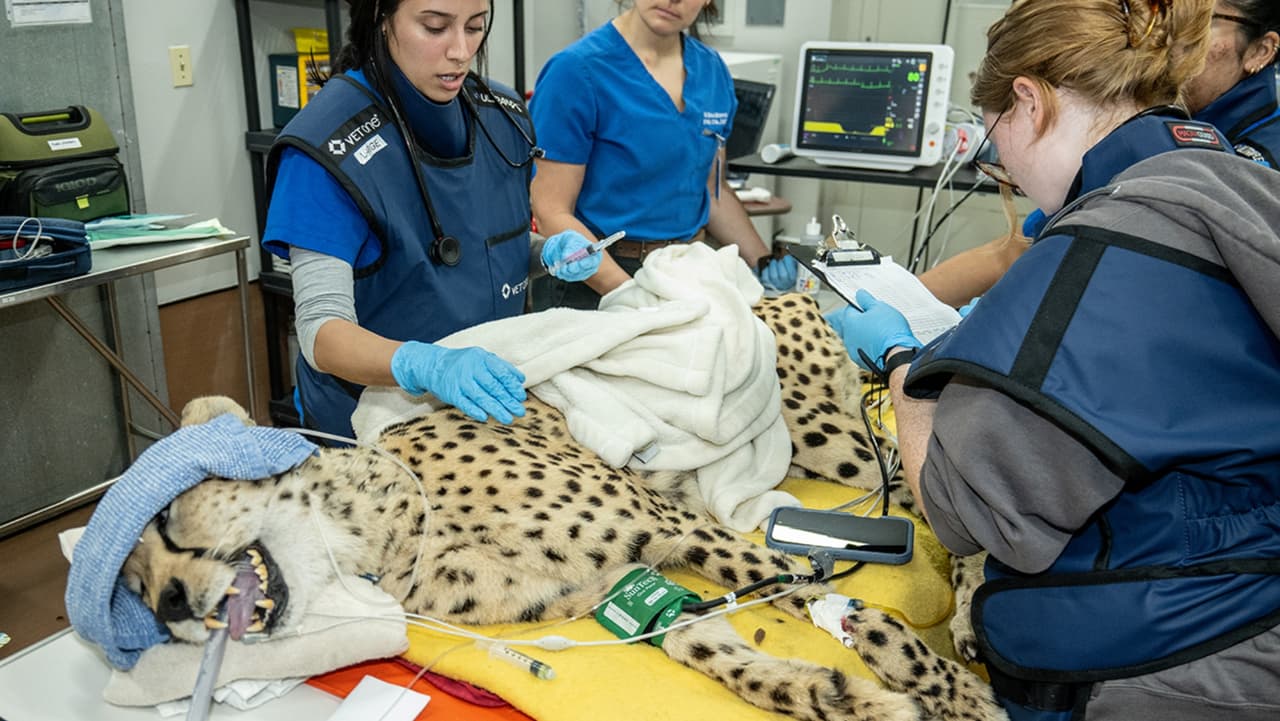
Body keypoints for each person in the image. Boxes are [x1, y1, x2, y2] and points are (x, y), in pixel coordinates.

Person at [826, 1, 1280, 719]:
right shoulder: (1240, 184)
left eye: (994, 134)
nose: (999, 161)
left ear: (1027, 101)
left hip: (1158, 663)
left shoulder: (1102, 245)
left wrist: (904, 367)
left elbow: (964, 512)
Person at [261, 0, 601, 438]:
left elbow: (481, 248)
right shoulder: (324, 150)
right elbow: (321, 332)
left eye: (475, 27)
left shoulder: (503, 118)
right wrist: (423, 364)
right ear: (383, 21)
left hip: (487, 408)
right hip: (370, 426)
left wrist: (548, 255)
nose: (461, 50)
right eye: (435, 27)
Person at [919, 0, 1279, 307]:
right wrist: (909, 298)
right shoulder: (1154, 140)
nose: (1176, 37)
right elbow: (1020, 247)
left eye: (1207, 22)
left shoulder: (1252, 162)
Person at [527, 0, 797, 311]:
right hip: (597, 279)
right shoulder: (576, 71)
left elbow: (712, 190)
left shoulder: (712, 72)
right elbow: (551, 211)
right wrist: (631, 294)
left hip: (686, 273)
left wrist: (763, 262)